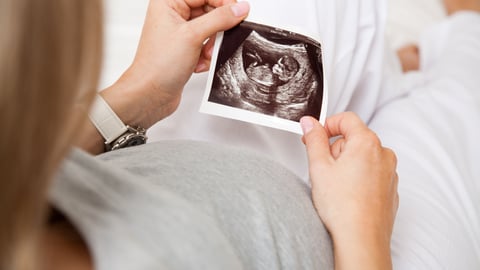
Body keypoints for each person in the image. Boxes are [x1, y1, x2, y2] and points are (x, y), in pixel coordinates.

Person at [1, 0, 398, 270]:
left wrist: (139, 96)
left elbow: (19, 169)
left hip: (168, 156)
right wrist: (364, 235)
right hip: (342, 226)